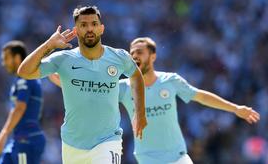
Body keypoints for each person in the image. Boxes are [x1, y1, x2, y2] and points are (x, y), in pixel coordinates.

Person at [49, 37, 261, 164]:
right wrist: (60, 78)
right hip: (148, 157)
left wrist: (235, 108)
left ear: (153, 56)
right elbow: (92, 94)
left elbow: (201, 96)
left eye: (140, 52)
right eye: (132, 53)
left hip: (177, 156)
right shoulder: (123, 87)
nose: (135, 57)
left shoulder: (171, 81)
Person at [17, 6, 147, 164]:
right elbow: (24, 71)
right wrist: (49, 45)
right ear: (76, 30)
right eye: (84, 25)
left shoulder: (119, 57)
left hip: (107, 141)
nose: (90, 29)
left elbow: (136, 76)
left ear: (101, 28)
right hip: (73, 144)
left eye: (94, 24)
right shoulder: (63, 59)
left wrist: (140, 113)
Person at [0, 41, 46, 164]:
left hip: (27, 140)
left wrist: (4, 133)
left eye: (6, 58)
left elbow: (20, 108)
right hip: (18, 139)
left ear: (17, 58)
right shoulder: (21, 80)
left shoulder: (26, 79)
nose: (3, 63)